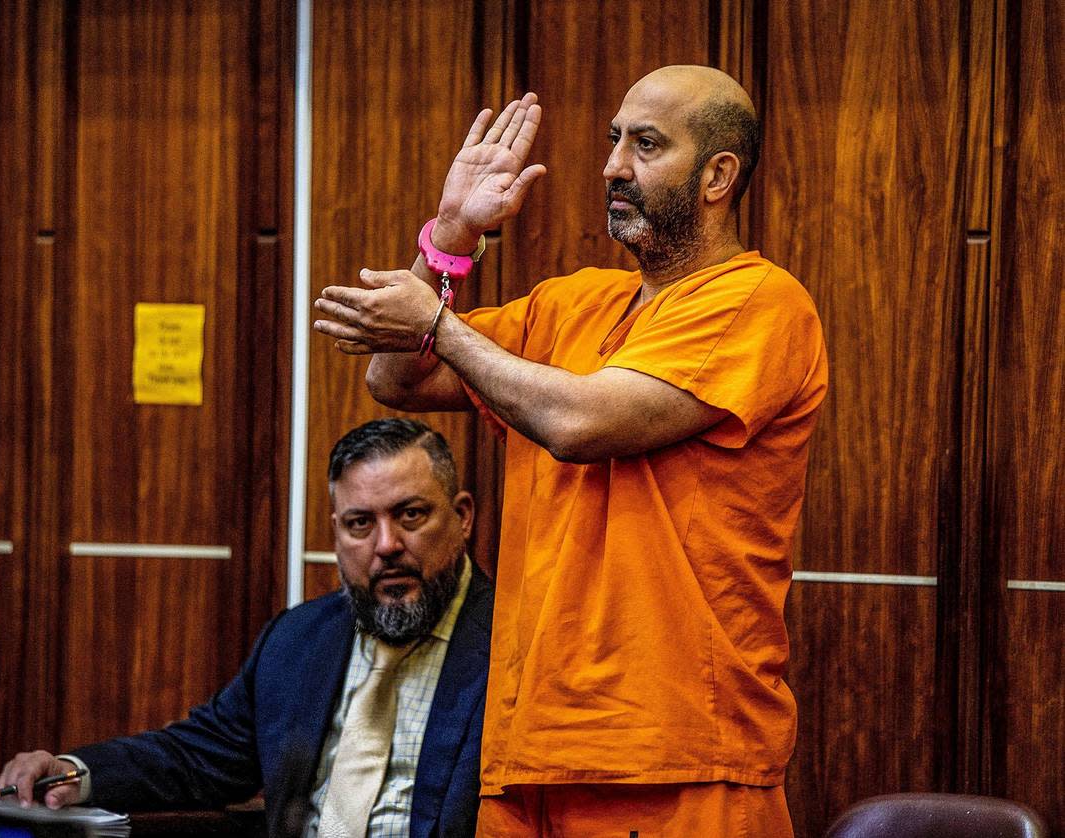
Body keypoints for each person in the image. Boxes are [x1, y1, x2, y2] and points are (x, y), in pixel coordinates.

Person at [312, 65, 828, 836]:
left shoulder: (761, 302)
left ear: (719, 174)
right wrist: (453, 232)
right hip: (529, 752)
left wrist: (440, 325)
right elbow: (399, 378)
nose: (615, 166)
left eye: (647, 144)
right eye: (615, 141)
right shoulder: (571, 303)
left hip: (676, 760)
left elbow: (582, 425)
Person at [0, 418, 494, 838]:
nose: (386, 544)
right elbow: (197, 757)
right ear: (337, 532)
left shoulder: (512, 646)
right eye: (360, 523)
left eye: (410, 514)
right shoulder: (300, 639)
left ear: (462, 516)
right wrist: (75, 772)